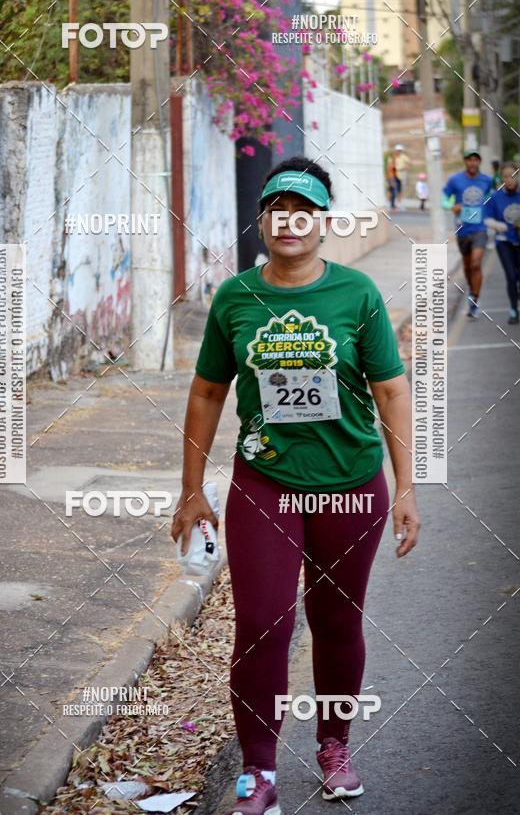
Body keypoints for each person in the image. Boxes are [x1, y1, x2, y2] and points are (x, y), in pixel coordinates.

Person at [171, 157, 421, 809]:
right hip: (266, 482)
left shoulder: (357, 295)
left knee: (336, 620)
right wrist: (192, 488)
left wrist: (409, 487)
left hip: (350, 483)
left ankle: (334, 743)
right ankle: (259, 771)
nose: (290, 220)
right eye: (278, 209)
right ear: (261, 221)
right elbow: (206, 392)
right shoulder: (235, 298)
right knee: (261, 623)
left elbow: (391, 391)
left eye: (304, 210)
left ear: (323, 222)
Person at [442, 150, 492, 318]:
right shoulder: (455, 180)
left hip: (480, 229)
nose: (472, 162)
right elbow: (444, 198)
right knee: (467, 265)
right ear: (465, 162)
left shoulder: (486, 180)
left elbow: (491, 198)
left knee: (476, 264)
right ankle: (471, 289)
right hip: (462, 229)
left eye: (476, 159)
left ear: (479, 162)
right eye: (469, 159)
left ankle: (474, 299)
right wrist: (451, 206)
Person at [483, 161, 520, 324]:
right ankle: (513, 310)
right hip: (504, 242)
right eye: (506, 177)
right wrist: (499, 226)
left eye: (513, 176)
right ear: (502, 178)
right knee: (511, 277)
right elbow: (487, 219)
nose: (509, 180)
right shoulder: (495, 196)